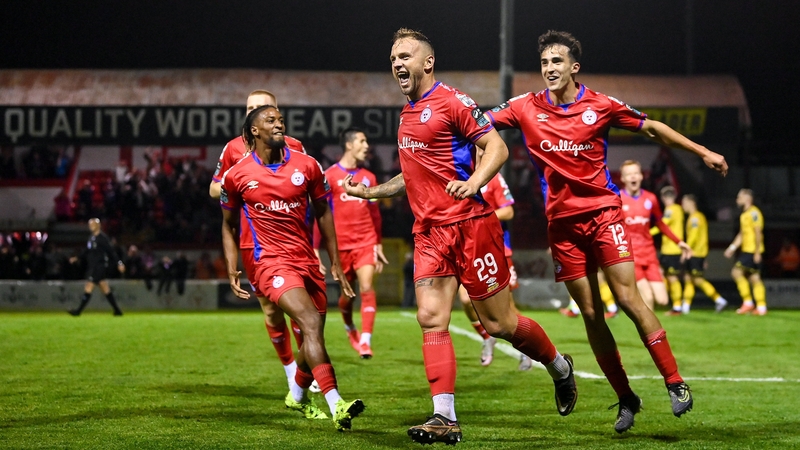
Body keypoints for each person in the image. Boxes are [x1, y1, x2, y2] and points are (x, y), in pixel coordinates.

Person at [483, 30, 728, 433]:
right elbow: (477, 122)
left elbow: (652, 128)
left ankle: (674, 381)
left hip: (604, 216)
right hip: (562, 227)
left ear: (574, 67)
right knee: (592, 314)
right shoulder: (525, 107)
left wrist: (702, 152)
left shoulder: (601, 105)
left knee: (629, 299)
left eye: (557, 62)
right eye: (544, 63)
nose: (549, 69)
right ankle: (626, 397)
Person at [344, 28, 577, 445]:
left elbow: (497, 149)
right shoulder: (407, 113)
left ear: (426, 62)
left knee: (500, 323)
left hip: (472, 227)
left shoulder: (453, 101)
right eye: (393, 57)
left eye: (405, 56)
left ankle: (559, 366)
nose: (397, 63)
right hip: (430, 233)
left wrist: (474, 182)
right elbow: (413, 174)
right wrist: (374, 192)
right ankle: (444, 416)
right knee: (431, 318)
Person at [220, 105, 364, 430]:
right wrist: (232, 266)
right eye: (270, 120)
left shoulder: (308, 165)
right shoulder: (238, 174)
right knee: (310, 321)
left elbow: (324, 213)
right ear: (254, 131)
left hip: (307, 261)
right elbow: (228, 225)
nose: (279, 124)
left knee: (312, 337)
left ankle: (296, 396)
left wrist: (335, 261)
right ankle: (336, 403)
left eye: (281, 119)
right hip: (270, 263)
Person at [209, 90, 305, 390]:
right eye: (251, 108)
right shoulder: (233, 149)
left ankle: (307, 368)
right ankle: (291, 370)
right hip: (256, 244)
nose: (255, 111)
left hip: (294, 241)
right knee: (272, 310)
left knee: (302, 309)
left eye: (263, 107)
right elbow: (214, 189)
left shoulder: (295, 147)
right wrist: (238, 183)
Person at [317, 127, 388, 359]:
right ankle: (350, 328)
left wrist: (377, 243)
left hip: (365, 241)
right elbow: (320, 215)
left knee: (367, 287)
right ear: (349, 145)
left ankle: (366, 341)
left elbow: (375, 214)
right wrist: (315, 249)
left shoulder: (370, 178)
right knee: (347, 296)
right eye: (362, 140)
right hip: (342, 246)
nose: (367, 145)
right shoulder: (329, 177)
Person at [454, 172, 534, 371]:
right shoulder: (459, 173)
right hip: (468, 251)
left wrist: (477, 217)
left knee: (507, 308)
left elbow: (508, 212)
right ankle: (487, 337)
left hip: (496, 249)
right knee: (465, 299)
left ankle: (527, 350)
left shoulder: (493, 177)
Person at [619, 161, 692, 310]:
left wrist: (679, 242)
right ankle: (649, 333)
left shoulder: (650, 199)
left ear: (641, 176)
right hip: (630, 254)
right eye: (628, 174)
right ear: (623, 178)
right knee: (648, 297)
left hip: (649, 253)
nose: (633, 176)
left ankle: (638, 312)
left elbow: (660, 223)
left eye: (635, 173)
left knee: (663, 300)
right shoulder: (618, 199)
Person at [68, 218, 125, 316]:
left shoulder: (103, 238)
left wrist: (119, 263)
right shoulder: (91, 238)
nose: (90, 226)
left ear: (98, 225)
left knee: (89, 286)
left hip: (99, 266)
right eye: (89, 224)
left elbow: (111, 252)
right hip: (93, 266)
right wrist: (77, 258)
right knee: (105, 288)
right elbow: (87, 250)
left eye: (92, 224)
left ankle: (78, 311)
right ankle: (117, 310)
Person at [681, 194, 727, 313]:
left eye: (684, 203)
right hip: (698, 253)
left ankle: (719, 299)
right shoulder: (698, 217)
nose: (683, 206)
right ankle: (685, 306)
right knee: (688, 278)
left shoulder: (695, 218)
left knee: (697, 280)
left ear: (691, 203)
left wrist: (686, 250)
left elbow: (694, 236)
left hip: (695, 254)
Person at [724, 189, 767, 315]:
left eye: (739, 197)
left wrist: (758, 252)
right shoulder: (744, 214)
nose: (737, 200)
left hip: (752, 251)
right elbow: (742, 234)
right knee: (754, 278)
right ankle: (761, 307)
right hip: (748, 250)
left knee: (736, 272)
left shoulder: (754, 213)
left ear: (748, 199)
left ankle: (748, 303)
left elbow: (758, 232)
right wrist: (732, 248)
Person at [658, 186, 688, 315]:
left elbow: (662, 225)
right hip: (669, 249)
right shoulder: (679, 209)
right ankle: (668, 301)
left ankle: (677, 307)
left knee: (673, 277)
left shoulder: (671, 210)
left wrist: (646, 232)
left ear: (664, 198)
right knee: (663, 274)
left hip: (672, 250)